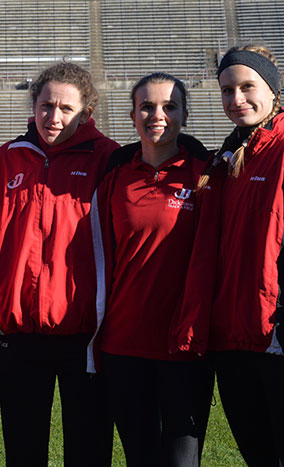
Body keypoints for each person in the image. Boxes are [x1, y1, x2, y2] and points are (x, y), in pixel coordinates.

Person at [0, 62, 118, 467]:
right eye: (47, 106)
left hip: (84, 335)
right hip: (19, 332)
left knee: (88, 450)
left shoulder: (109, 159)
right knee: (23, 452)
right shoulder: (9, 157)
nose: (54, 117)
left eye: (66, 108)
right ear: (34, 105)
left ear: (86, 111)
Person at [91, 73, 217, 466]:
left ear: (184, 114)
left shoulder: (206, 174)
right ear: (132, 115)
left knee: (182, 460)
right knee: (140, 458)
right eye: (147, 106)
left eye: (169, 106)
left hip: (184, 345)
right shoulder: (115, 176)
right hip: (124, 344)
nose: (157, 115)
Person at [205, 44, 284, 465]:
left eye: (248, 87)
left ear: (272, 89)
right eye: (226, 90)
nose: (236, 100)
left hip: (274, 337)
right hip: (234, 339)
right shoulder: (227, 156)